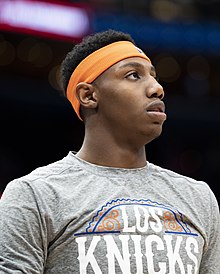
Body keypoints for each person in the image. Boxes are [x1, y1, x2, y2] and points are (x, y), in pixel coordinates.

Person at [0, 29, 219, 274]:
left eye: (154, 77)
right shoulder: (35, 195)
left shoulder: (199, 197)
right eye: (134, 75)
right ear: (89, 95)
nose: (157, 88)